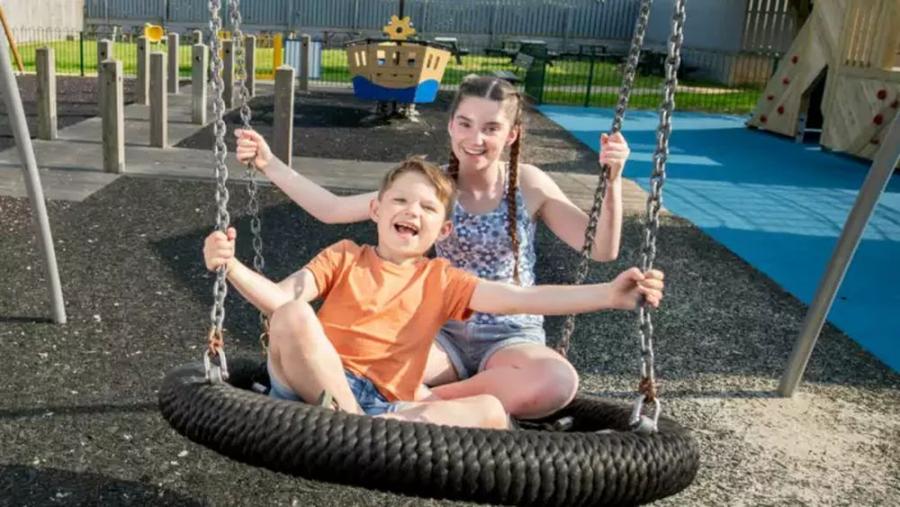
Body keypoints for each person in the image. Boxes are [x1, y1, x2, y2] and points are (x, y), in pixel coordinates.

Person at [233, 75, 632, 420]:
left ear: (511, 135)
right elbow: (333, 208)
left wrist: (611, 181)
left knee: (556, 381)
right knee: (357, 355)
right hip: (440, 333)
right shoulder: (431, 189)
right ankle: (397, 408)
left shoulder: (527, 184)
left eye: (491, 128)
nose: (475, 139)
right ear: (451, 126)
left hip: (511, 334)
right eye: (465, 124)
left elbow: (600, 248)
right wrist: (269, 164)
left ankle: (418, 405)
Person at [204, 158, 662, 430]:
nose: (411, 212)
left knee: (488, 410)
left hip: (384, 405)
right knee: (294, 316)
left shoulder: (441, 279)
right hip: (317, 380)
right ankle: (354, 426)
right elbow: (282, 297)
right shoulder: (344, 256)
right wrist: (232, 266)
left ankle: (368, 428)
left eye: (426, 208)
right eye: (400, 201)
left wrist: (609, 295)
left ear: (442, 230)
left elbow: (520, 299)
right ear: (376, 209)